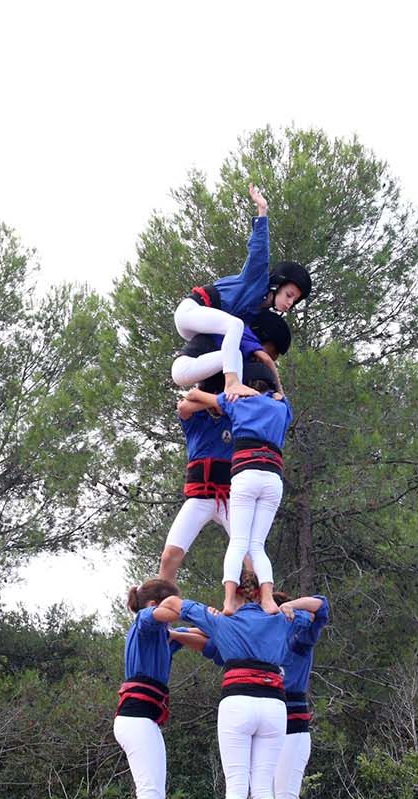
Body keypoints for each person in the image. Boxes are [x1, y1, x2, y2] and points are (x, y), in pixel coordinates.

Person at [156, 574, 291, 799]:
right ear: (263, 592)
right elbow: (314, 611)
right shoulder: (281, 619)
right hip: (273, 703)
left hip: (238, 701)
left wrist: (160, 620)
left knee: (236, 788)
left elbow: (173, 603)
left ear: (234, 591)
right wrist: (286, 606)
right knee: (264, 790)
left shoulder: (222, 621)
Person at [160, 317, 291, 584]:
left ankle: (249, 607)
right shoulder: (198, 420)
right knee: (170, 555)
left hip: (233, 497)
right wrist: (216, 400)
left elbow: (267, 405)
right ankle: (161, 603)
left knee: (249, 556)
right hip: (200, 498)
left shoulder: (240, 416)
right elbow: (184, 406)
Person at [172, 185, 311, 395]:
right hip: (191, 311)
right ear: (277, 284)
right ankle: (232, 383)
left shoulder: (257, 312)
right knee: (234, 325)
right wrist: (262, 212)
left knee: (233, 353)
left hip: (202, 328)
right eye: (289, 294)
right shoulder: (256, 280)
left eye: (295, 301)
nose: (290, 302)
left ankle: (210, 393)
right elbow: (259, 251)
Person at [181, 361, 294, 614]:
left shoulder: (239, 401)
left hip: (246, 474)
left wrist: (231, 388)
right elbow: (280, 391)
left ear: (249, 384)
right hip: (273, 478)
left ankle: (229, 601)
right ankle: (267, 599)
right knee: (257, 545)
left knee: (239, 542)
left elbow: (193, 395)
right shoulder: (282, 406)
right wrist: (276, 382)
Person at [115, 579, 186, 799]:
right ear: (154, 605)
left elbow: (195, 632)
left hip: (143, 721)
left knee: (155, 797)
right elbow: (165, 616)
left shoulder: (161, 638)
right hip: (136, 719)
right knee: (150, 796)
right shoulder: (145, 623)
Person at [274, 593, 331, 799]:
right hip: (269, 727)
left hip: (293, 726)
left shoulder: (298, 639)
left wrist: (291, 606)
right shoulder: (264, 643)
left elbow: (322, 606)